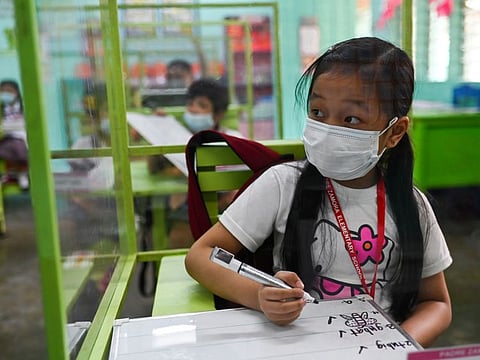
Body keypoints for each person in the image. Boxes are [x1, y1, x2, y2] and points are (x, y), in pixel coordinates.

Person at [185, 37, 452, 348]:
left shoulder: (412, 205)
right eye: (318, 111)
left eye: (351, 118)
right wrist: (258, 295)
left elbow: (437, 303)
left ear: (394, 132)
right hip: (298, 347)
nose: (329, 128)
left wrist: (399, 347)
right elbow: (200, 256)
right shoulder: (283, 184)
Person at [0, 79, 29, 190]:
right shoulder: (2, 108)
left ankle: (21, 174)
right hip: (3, 137)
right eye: (2, 91)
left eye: (9, 90)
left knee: (17, 148)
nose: (5, 93)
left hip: (19, 138)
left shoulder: (23, 106)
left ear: (16, 92)